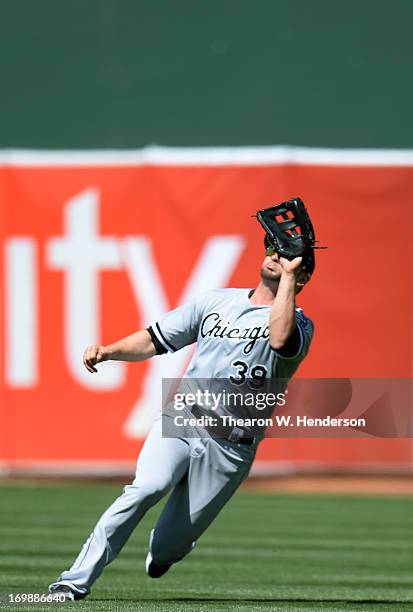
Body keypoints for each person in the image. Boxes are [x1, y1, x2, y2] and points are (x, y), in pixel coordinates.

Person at [48, 241, 314, 601]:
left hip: (232, 446)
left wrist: (288, 280)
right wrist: (110, 350)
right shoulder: (215, 302)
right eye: (273, 248)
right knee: (146, 487)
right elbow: (155, 338)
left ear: (301, 277)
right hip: (184, 416)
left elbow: (280, 339)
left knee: (166, 549)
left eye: (285, 254)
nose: (274, 255)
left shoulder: (299, 324)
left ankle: (167, 552)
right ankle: (73, 581)